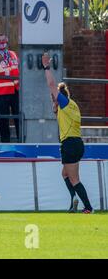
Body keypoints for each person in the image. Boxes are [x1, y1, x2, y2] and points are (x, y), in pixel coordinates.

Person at [42, 53, 93, 214]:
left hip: (70, 143)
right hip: (77, 143)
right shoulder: (73, 105)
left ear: (58, 99)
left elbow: (51, 84)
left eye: (53, 99)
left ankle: (88, 207)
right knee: (65, 173)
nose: (53, 102)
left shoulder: (63, 103)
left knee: (74, 179)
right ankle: (74, 200)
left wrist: (46, 67)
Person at [0, 34, 20, 142]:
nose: (1, 43)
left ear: (7, 41)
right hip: (2, 93)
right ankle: (5, 142)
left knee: (18, 117)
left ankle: (20, 140)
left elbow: (18, 68)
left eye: (4, 40)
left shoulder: (13, 54)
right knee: (4, 119)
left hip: (15, 91)